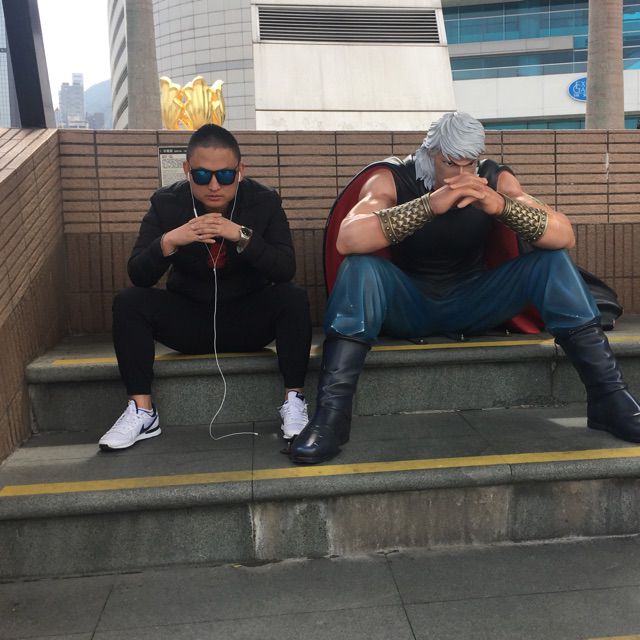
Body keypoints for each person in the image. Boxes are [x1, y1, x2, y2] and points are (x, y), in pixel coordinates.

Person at [290, 111, 640, 464]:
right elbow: (348, 239)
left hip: (475, 301)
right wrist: (430, 205)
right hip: (408, 303)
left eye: (468, 164)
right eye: (450, 164)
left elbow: (563, 234)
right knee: (360, 268)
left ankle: (609, 399)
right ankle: (332, 417)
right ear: (430, 153)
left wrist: (498, 204)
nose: (460, 175)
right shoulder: (392, 177)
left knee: (552, 261)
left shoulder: (493, 177)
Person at [99, 124, 312, 451]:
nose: (214, 185)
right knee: (129, 302)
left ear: (240, 171)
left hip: (248, 319)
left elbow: (285, 269)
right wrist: (170, 241)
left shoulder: (264, 201)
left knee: (293, 298)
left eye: (225, 175)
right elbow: (139, 275)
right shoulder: (166, 203)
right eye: (201, 175)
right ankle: (142, 411)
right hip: (190, 321)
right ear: (187, 170)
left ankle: (294, 401)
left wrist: (241, 236)